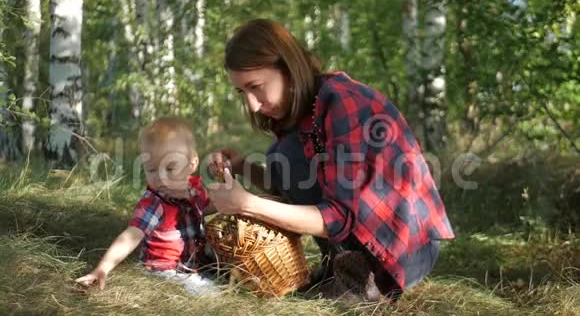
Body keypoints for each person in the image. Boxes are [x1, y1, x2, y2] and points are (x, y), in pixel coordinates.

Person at [207, 19, 455, 302]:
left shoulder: (343, 102)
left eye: (257, 86)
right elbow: (289, 189)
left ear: (288, 68)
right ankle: (343, 267)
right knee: (281, 154)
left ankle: (367, 279)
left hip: (404, 249)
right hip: (359, 239)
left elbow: (340, 216)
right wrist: (242, 167)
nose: (252, 104)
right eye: (243, 92)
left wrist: (248, 205)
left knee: (284, 153)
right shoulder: (302, 115)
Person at [75, 118, 219, 297]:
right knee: (208, 292)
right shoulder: (155, 202)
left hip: (191, 261)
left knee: (220, 267)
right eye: (151, 170)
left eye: (170, 168)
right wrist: (102, 268)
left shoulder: (194, 189)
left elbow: (206, 207)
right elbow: (132, 235)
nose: (161, 178)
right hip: (163, 268)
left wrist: (239, 204)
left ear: (192, 164)